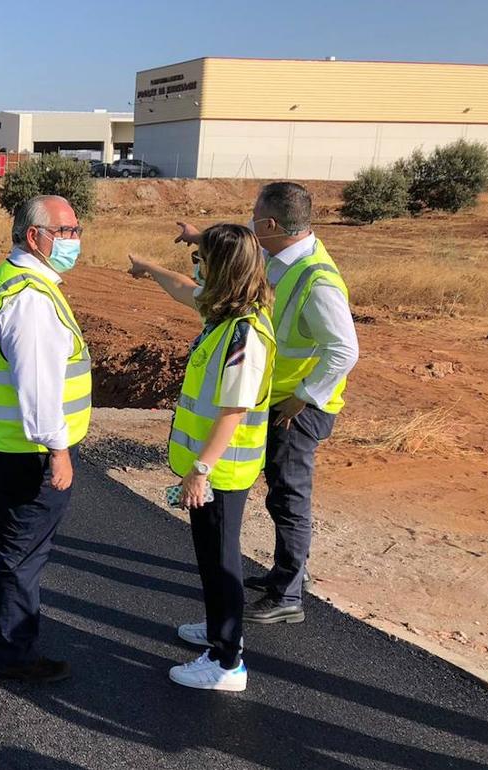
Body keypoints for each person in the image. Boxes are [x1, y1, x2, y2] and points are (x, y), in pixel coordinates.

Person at [173, 183, 358, 624]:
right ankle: (284, 573)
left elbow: (345, 350)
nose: (252, 222)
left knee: (289, 496)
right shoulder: (280, 259)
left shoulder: (317, 279)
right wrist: (202, 240)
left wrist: (304, 397)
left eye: (255, 215)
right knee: (279, 490)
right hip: (272, 398)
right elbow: (241, 254)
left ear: (271, 224)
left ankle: (288, 592)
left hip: (297, 408)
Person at [128, 224, 276, 691]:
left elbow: (234, 410)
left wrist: (200, 470)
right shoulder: (225, 315)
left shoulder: (242, 336)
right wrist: (147, 268)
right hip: (217, 468)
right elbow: (182, 289)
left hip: (222, 470)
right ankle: (218, 630)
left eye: (203, 259)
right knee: (211, 557)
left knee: (221, 561)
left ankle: (227, 661)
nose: (197, 266)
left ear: (222, 270)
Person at [0, 194, 91, 684]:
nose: (75, 241)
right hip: (29, 447)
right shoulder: (31, 300)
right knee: (24, 549)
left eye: (77, 229)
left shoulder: (2, 279)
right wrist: (58, 451)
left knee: (0, 533)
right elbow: (38, 387)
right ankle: (14, 651)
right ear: (35, 236)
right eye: (65, 232)